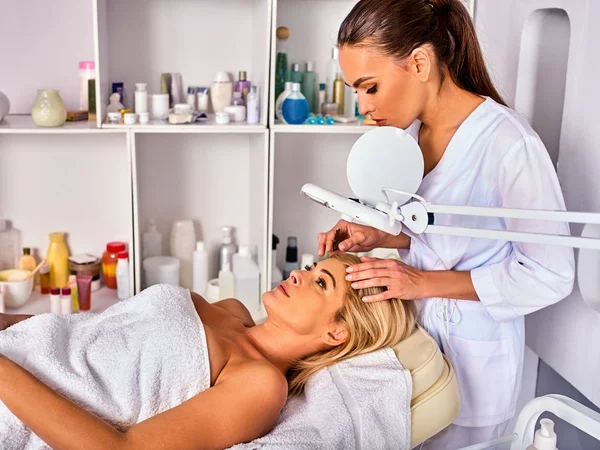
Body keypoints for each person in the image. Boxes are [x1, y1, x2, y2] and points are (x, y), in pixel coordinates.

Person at [318, 0, 575, 447]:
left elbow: (549, 276)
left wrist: (420, 281)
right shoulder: (414, 137)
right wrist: (380, 235)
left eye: (370, 87)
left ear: (419, 62)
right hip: (418, 355)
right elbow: (442, 236)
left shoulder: (507, 143)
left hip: (477, 369)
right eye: (356, 91)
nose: (363, 106)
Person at [0, 253, 415, 450]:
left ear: (336, 333)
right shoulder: (231, 310)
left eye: (320, 283)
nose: (298, 275)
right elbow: (84, 330)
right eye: (310, 268)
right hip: (20, 349)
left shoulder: (260, 384)